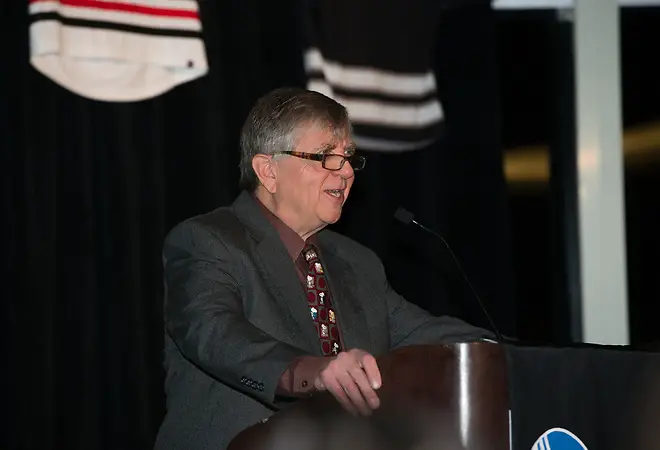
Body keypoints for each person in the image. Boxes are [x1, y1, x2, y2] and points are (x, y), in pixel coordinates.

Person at [153, 87, 493, 450]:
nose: (345, 172)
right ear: (268, 171)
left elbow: (425, 332)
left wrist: (517, 357)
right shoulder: (208, 240)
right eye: (324, 157)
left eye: (348, 157)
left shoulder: (358, 262)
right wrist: (315, 373)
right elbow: (214, 333)